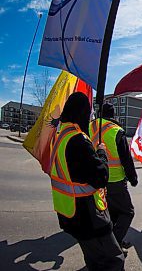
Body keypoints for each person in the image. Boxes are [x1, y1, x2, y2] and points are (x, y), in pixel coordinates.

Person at [50, 92, 124, 270]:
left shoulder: (61, 136)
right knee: (114, 260)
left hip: (69, 213)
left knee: (94, 260)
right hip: (88, 216)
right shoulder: (78, 140)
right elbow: (101, 178)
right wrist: (101, 153)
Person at [89, 103, 138, 253]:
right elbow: (126, 160)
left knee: (111, 214)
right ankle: (114, 246)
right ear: (113, 115)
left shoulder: (90, 127)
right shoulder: (117, 131)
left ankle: (115, 241)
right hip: (115, 181)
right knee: (127, 212)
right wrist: (133, 178)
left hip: (97, 180)